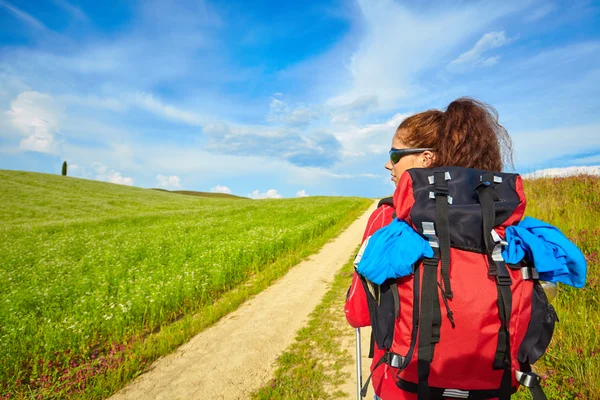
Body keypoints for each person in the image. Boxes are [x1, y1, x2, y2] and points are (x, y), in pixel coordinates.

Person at [345, 97, 514, 400]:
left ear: (425, 158)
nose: (388, 163)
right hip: (488, 389)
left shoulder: (389, 218)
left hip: (403, 387)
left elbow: (358, 313)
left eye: (395, 154)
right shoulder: (500, 218)